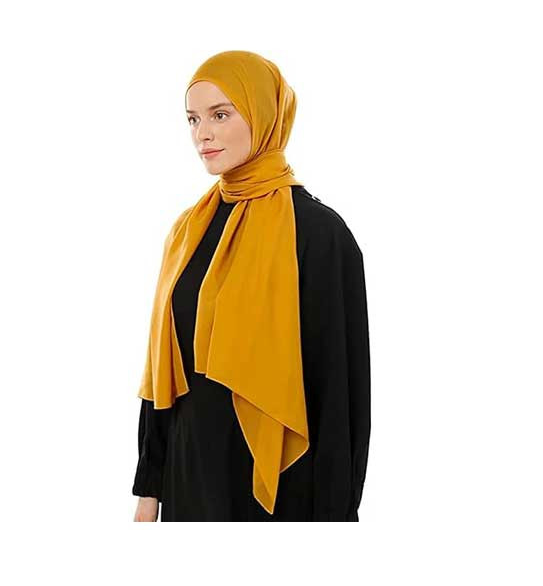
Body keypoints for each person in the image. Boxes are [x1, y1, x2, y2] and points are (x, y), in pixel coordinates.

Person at [132, 50, 371, 522]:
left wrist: (337, 520)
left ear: (264, 115)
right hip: (188, 484)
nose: (202, 133)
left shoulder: (318, 234)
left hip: (282, 494)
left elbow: (340, 395)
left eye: (220, 115)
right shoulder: (187, 232)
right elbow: (163, 374)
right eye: (193, 118)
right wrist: (149, 490)